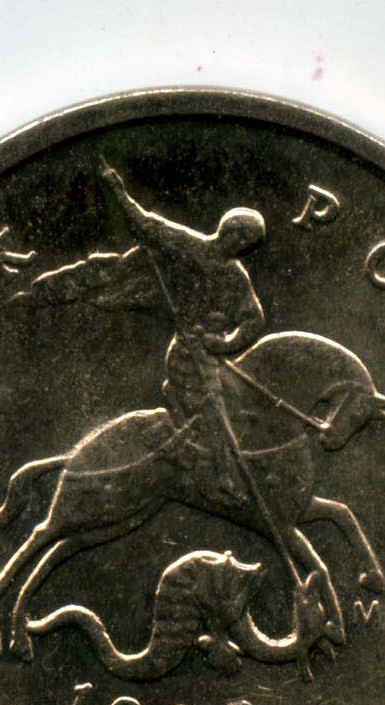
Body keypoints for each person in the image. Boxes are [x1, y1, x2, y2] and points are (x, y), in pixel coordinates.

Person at [20, 163, 268, 508]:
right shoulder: (188, 246)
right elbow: (146, 224)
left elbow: (254, 320)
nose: (242, 245)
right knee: (213, 407)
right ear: (229, 231)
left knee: (247, 404)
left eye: (249, 243)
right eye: (242, 238)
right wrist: (118, 190)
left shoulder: (235, 276)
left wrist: (224, 343)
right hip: (187, 353)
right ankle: (220, 477)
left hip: (211, 352)